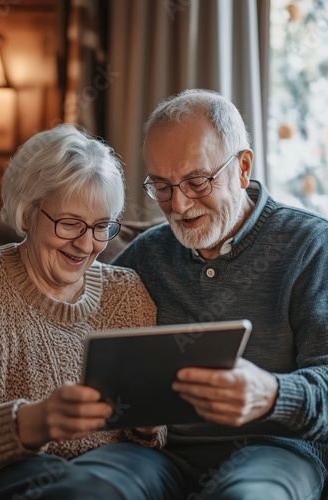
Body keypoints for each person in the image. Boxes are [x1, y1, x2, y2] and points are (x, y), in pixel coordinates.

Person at [0, 124, 186, 500]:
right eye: (71, 223)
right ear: (28, 213)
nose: (86, 243)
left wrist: (149, 423)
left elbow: (152, 441)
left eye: (101, 227)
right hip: (19, 471)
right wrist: (33, 423)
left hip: (120, 469)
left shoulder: (128, 292)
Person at [114, 89, 328, 499]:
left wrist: (272, 394)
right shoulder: (145, 256)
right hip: (159, 455)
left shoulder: (311, 247)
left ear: (243, 167)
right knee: (90, 486)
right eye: (161, 186)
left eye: (197, 181)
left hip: (279, 450)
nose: (178, 204)